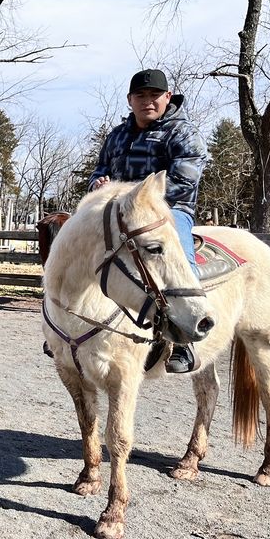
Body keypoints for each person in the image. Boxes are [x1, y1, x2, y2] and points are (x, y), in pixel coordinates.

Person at [88, 68, 207, 374]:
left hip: (167, 210)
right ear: (130, 100)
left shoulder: (182, 132)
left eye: (155, 96)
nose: (148, 101)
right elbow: (100, 168)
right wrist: (98, 184)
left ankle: (184, 340)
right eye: (140, 96)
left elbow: (185, 178)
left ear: (167, 97)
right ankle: (69, 322)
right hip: (118, 211)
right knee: (80, 247)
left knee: (177, 250)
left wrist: (129, 194)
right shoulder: (117, 135)